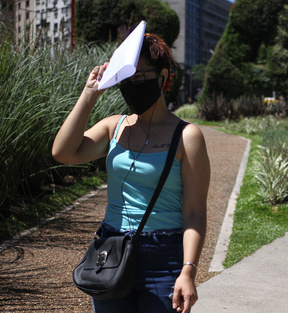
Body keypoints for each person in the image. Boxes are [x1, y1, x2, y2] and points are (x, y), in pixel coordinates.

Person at [52, 33, 210, 313]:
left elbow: (195, 213)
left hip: (165, 258)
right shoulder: (115, 126)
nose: (130, 86)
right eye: (124, 79)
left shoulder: (187, 136)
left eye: (138, 77)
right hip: (110, 250)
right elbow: (63, 152)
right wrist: (90, 95)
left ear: (162, 77)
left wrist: (188, 271)